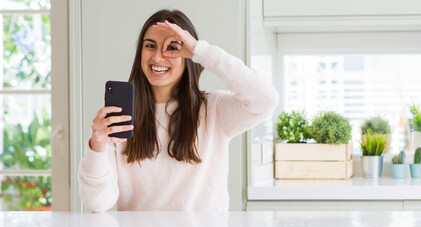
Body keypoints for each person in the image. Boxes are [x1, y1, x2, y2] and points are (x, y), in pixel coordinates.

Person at [78, 9, 278, 212]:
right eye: (150, 46)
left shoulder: (214, 110)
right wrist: (97, 146)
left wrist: (201, 52)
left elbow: (265, 99)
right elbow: (98, 202)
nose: (157, 57)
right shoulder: (120, 118)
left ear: (187, 55)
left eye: (171, 48)